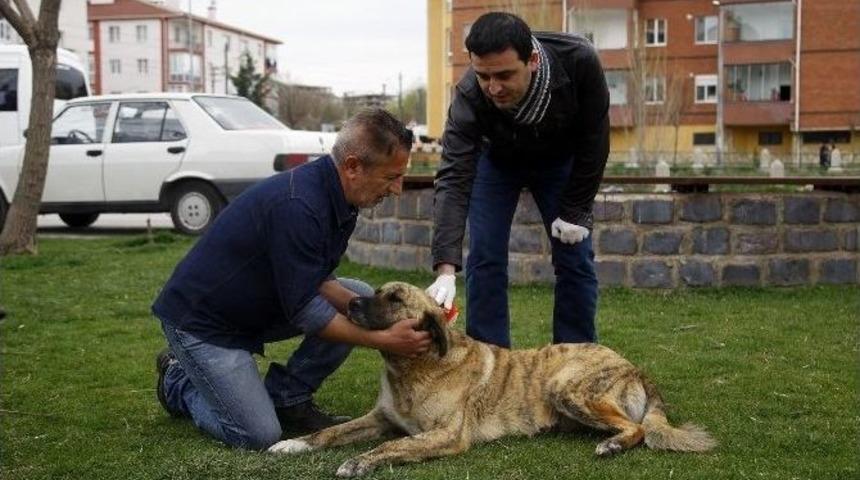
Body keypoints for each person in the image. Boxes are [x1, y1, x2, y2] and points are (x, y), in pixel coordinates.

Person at [151, 108, 431, 450]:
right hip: (203, 325)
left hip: (254, 310)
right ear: (353, 166)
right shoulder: (300, 204)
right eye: (391, 177)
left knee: (357, 296)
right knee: (257, 435)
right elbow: (307, 312)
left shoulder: (342, 197)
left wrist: (373, 315)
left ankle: (289, 398)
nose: (398, 189)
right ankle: (177, 381)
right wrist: (386, 339)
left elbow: (318, 280)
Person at [426, 12, 609, 348]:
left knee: (575, 257)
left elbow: (594, 139)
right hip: (496, 163)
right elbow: (453, 177)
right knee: (484, 257)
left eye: (505, 75)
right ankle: (490, 362)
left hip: (559, 160)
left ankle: (576, 358)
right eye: (483, 76)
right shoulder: (469, 94)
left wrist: (576, 208)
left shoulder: (579, 60)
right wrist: (446, 267)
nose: (493, 88)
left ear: (533, 60)